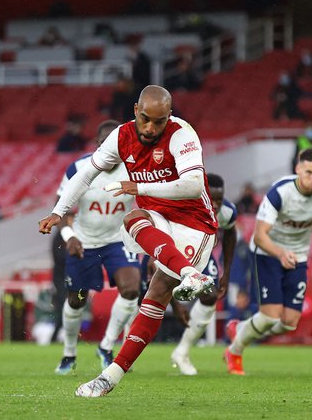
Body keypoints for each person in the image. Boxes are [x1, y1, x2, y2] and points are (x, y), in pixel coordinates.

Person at [39, 85, 218, 397]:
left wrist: (140, 188)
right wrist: (58, 211)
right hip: (157, 217)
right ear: (136, 110)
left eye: (158, 122)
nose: (150, 128)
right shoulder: (121, 136)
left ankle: (109, 375)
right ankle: (190, 274)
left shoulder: (182, 134)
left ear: (169, 116)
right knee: (132, 219)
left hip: (194, 224)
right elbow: (85, 174)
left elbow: (192, 186)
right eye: (145, 119)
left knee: (157, 292)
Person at [224, 148, 312, 375]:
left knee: (290, 322)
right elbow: (260, 236)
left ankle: (240, 328)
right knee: (270, 317)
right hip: (268, 253)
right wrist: (280, 253)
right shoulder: (280, 193)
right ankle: (235, 351)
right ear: (298, 169)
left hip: (298, 255)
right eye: (309, 172)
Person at [53, 119, 142, 375]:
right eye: (105, 143)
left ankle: (105, 347)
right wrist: (69, 236)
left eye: (116, 143)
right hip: (84, 242)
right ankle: (69, 353)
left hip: (118, 240)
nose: (110, 149)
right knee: (77, 300)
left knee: (131, 288)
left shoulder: (135, 169)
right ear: (97, 144)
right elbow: (61, 209)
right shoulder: (79, 168)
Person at [169, 173, 237, 375]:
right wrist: (176, 304)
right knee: (146, 296)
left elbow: (230, 233)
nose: (215, 204)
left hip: (201, 254)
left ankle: (182, 351)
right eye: (211, 198)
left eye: (219, 199)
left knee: (210, 295)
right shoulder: (184, 203)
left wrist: (226, 272)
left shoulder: (226, 211)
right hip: (172, 250)